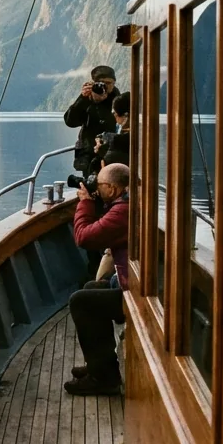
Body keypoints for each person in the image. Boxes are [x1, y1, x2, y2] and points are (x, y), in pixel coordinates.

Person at [64, 163, 130, 397]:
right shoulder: (123, 204)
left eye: (99, 184)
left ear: (112, 189)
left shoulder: (122, 212)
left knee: (81, 301)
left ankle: (105, 380)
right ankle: (100, 367)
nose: (95, 187)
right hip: (130, 283)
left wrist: (85, 202)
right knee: (92, 288)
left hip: (135, 293)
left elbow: (83, 237)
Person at [64, 66, 119, 173]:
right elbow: (70, 121)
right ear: (94, 84)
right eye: (102, 83)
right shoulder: (87, 98)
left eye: (109, 83)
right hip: (89, 155)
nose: (106, 87)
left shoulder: (117, 99)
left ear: (114, 83)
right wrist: (84, 99)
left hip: (110, 153)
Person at [87, 91, 131, 175]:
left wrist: (103, 149)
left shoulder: (122, 140)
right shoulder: (127, 134)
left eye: (115, 113)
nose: (114, 115)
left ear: (126, 115)